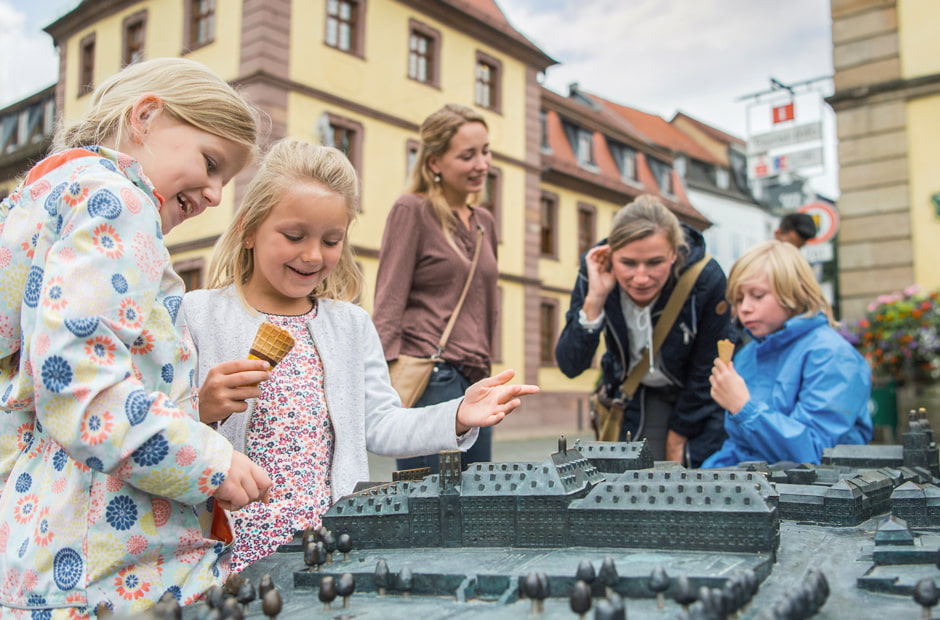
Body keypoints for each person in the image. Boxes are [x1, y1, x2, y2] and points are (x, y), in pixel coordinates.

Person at [181, 138, 537, 572]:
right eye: (294, 236)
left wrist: (458, 414)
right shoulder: (197, 314)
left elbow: (381, 424)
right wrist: (201, 409)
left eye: (331, 240)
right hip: (232, 549)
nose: (313, 255)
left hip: (331, 542)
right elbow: (154, 427)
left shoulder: (349, 325)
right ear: (249, 229)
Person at [0, 58, 273, 616]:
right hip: (118, 568)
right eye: (211, 162)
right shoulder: (118, 203)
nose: (217, 195)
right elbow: (81, 387)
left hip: (43, 548)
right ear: (145, 117)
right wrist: (209, 459)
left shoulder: (43, 206)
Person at [555, 195, 733, 467]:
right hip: (630, 396)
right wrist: (595, 300)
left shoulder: (706, 278)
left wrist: (678, 434)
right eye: (628, 263)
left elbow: (706, 368)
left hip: (694, 398)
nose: (640, 278)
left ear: (674, 253)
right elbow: (570, 364)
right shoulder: (594, 269)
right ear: (611, 255)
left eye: (654, 263)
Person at [372, 104, 499, 473]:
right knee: (430, 505)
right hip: (431, 377)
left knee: (476, 500)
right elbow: (388, 301)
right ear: (434, 163)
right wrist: (382, 388)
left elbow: (488, 307)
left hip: (476, 379)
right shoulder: (412, 210)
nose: (481, 164)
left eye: (485, 151)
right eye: (467, 155)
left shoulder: (484, 223)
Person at [702, 241, 872, 468]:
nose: (745, 308)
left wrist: (743, 407)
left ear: (794, 293)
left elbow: (816, 455)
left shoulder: (834, 356)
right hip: (759, 492)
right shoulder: (747, 355)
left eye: (758, 295)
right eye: (740, 298)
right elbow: (740, 449)